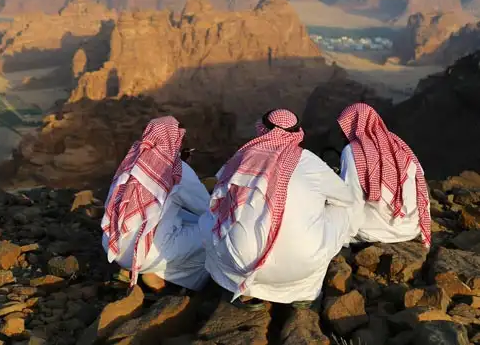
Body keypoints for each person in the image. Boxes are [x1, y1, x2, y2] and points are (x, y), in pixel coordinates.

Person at [200, 109, 364, 309]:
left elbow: (218, 193)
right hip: (298, 267)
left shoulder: (242, 159)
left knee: (210, 218)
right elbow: (345, 197)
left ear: (263, 130)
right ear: (297, 132)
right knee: (343, 209)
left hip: (239, 262)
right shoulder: (310, 161)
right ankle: (304, 294)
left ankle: (248, 292)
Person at [101, 116, 211, 292]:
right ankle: (163, 277)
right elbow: (207, 208)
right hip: (145, 255)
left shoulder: (130, 164)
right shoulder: (177, 169)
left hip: (112, 249)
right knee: (213, 230)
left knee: (174, 218)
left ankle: (131, 271)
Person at [335, 103, 431, 247]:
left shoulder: (352, 151)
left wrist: (344, 237)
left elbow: (352, 198)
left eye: (343, 127)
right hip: (412, 228)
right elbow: (421, 181)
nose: (341, 133)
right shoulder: (397, 143)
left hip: (379, 231)